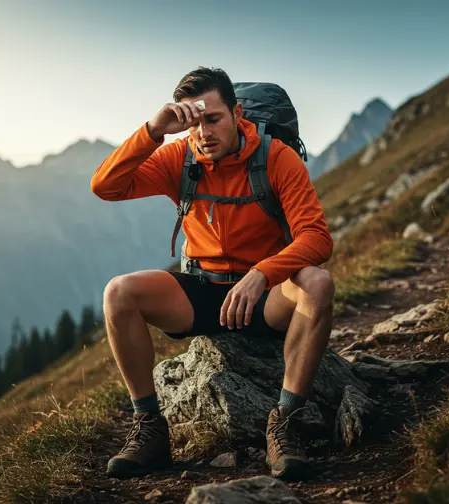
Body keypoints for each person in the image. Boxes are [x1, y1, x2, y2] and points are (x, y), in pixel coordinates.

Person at [90, 66, 335, 481]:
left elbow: (316, 237)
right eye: (193, 121)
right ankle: (150, 427)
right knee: (119, 293)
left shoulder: (277, 158)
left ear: (238, 113)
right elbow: (106, 186)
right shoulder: (179, 157)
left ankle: (285, 422)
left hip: (266, 296)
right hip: (203, 292)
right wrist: (155, 129)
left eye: (213, 118)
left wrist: (261, 274)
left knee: (317, 283)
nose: (203, 132)